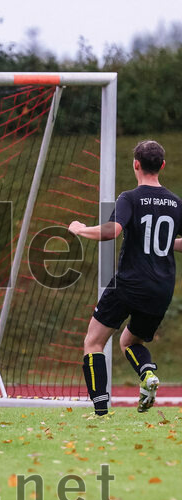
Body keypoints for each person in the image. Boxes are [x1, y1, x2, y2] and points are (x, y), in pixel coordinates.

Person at [69, 140, 176, 415]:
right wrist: (164, 243)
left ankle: (100, 410)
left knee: (93, 341)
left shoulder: (130, 197)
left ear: (136, 164)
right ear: (162, 165)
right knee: (130, 341)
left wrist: (81, 229)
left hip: (130, 283)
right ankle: (148, 374)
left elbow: (112, 231)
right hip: (162, 288)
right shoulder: (176, 202)